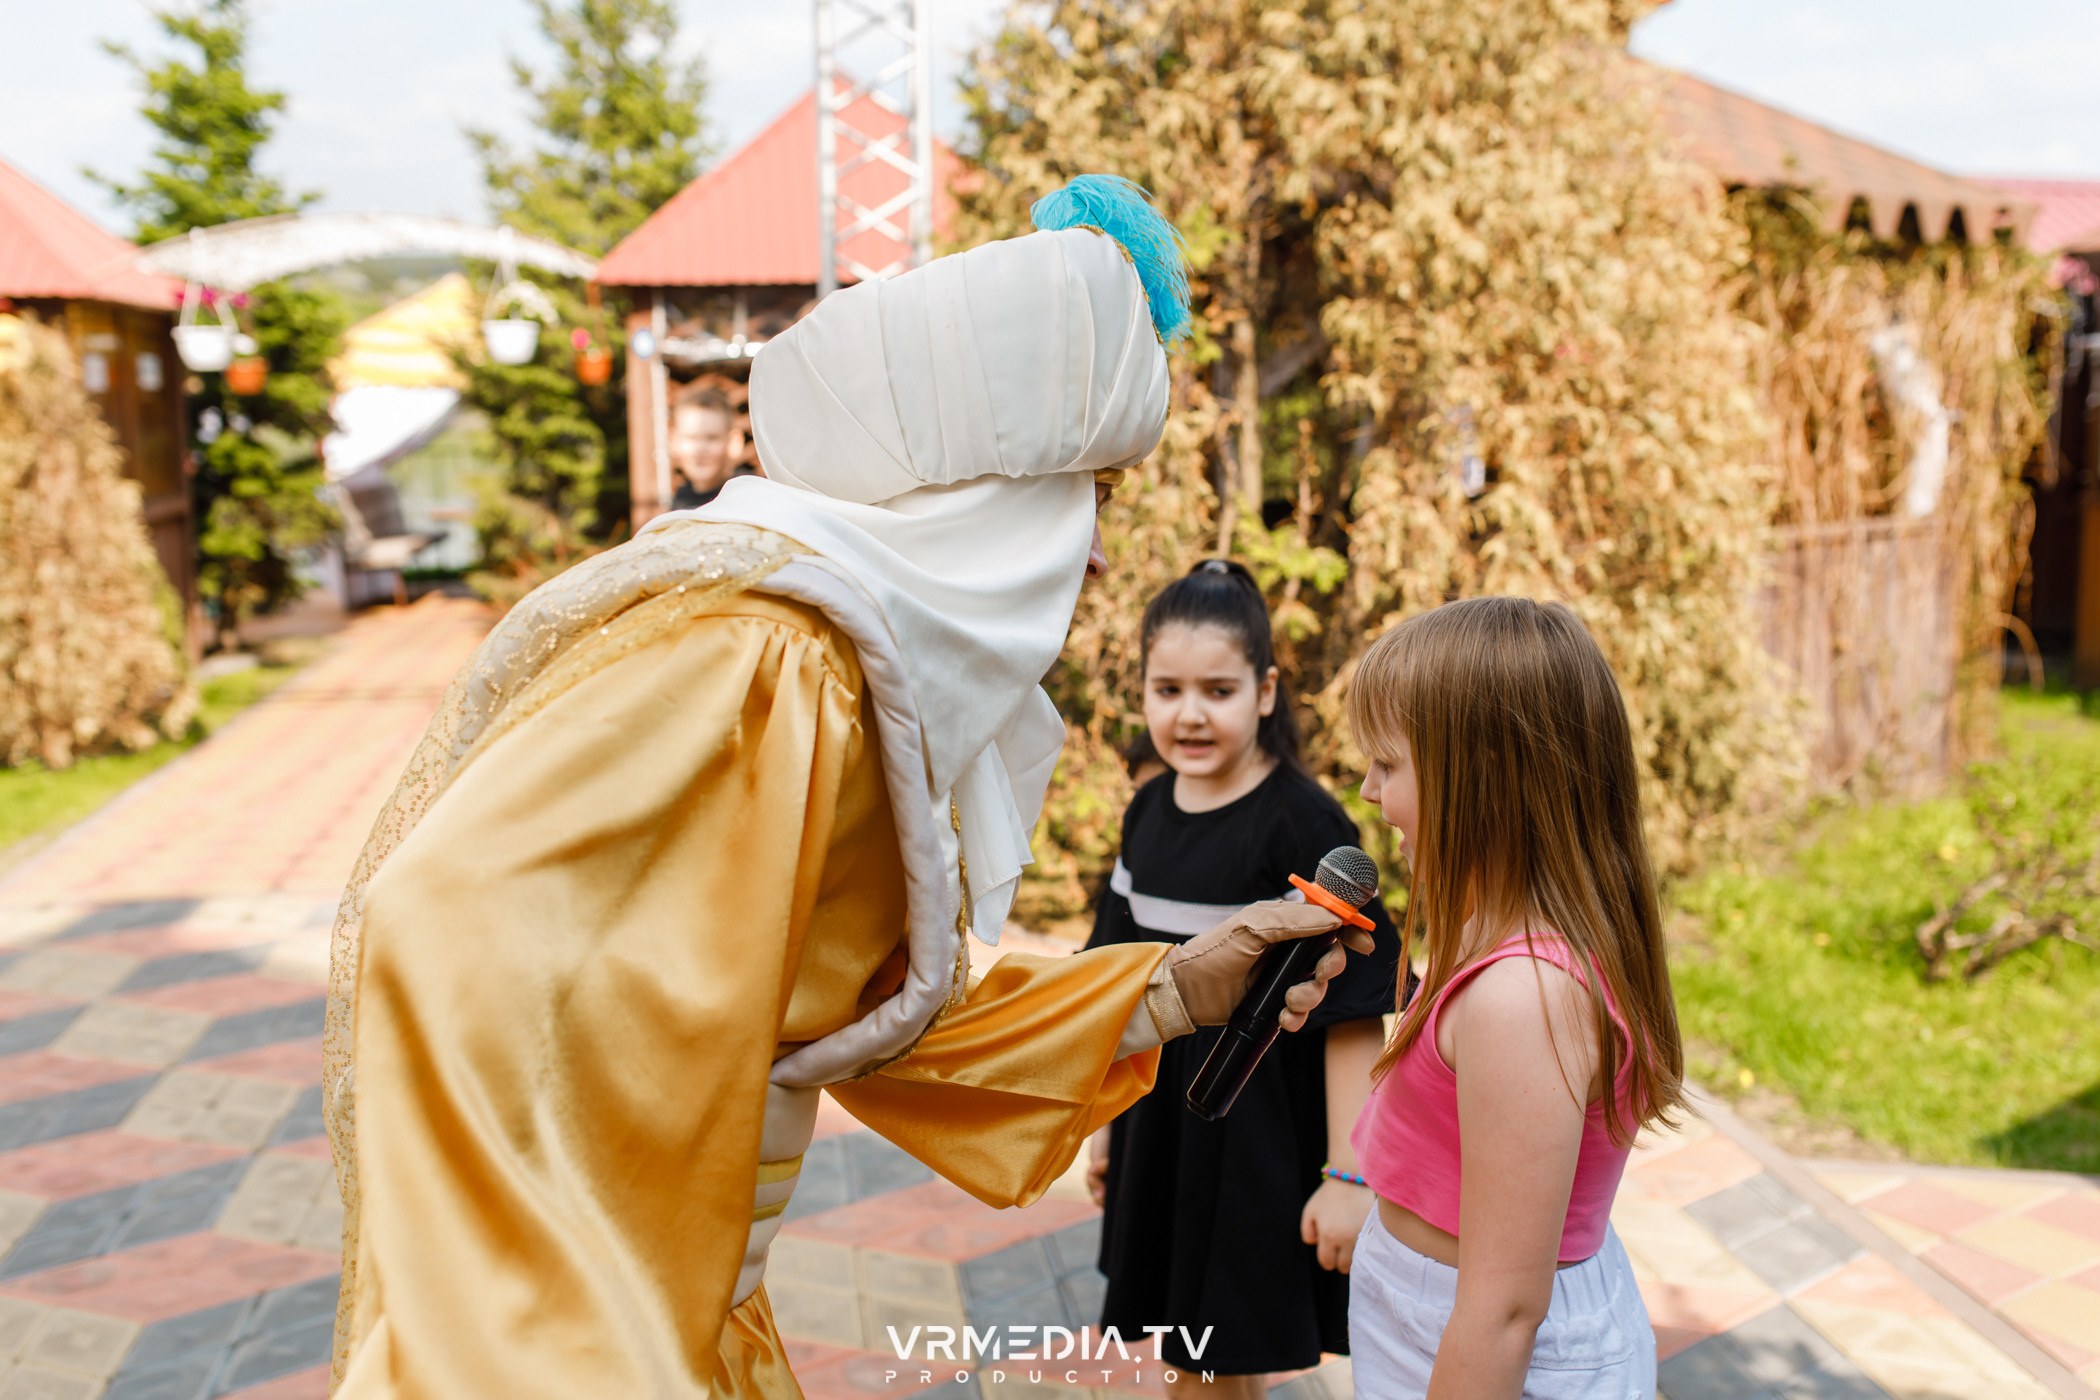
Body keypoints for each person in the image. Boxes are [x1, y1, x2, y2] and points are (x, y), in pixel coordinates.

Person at [319, 175, 1371, 1400]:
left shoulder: (821, 666)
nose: (1093, 554)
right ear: (987, 497)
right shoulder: (770, 659)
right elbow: (440, 928)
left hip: (672, 1305)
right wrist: (568, 1327)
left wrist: (1176, 985)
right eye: (1085, 497)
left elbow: (855, 1009)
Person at [1344, 598, 1686, 1400]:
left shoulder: (1523, 997)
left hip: (1478, 1341)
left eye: (1388, 765)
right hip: (1430, 1314)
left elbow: (1502, 1310)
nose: (1367, 790)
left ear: (1485, 775)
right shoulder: (1491, 934)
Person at [1084, 559, 1404, 1399]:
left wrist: (1349, 1173)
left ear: (1264, 692)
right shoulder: (1146, 813)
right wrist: (1100, 1126)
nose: (1189, 714)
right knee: (1185, 1342)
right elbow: (1112, 983)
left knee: (1221, 1356)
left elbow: (1350, 1013)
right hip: (1158, 1121)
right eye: (1167, 689)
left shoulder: (1302, 823)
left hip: (1255, 1135)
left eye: (1218, 691)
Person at [666, 380, 744, 510]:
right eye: (691, 438)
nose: (700, 449)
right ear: (673, 441)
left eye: (712, 438)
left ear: (733, 441)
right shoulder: (679, 501)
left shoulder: (745, 494)